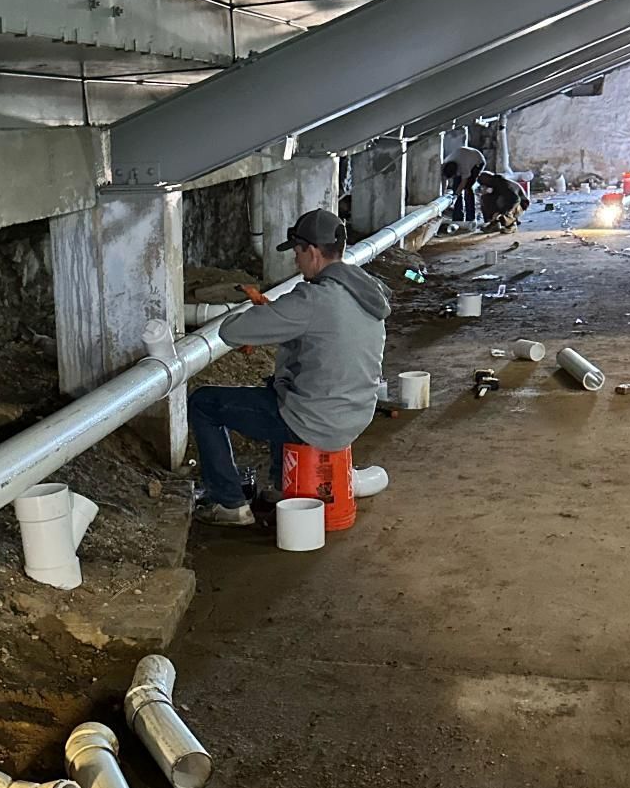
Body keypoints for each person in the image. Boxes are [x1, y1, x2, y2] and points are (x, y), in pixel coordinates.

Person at [186, 209, 391, 528]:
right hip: (356, 413)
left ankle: (228, 504)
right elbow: (327, 338)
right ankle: (284, 485)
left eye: (297, 253)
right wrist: (278, 318)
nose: (296, 262)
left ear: (311, 251)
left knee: (203, 403)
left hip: (317, 421)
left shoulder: (313, 298)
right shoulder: (366, 291)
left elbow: (231, 331)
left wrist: (263, 317)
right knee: (279, 386)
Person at [441, 142, 486, 226]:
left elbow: (464, 182)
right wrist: (443, 194)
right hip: (463, 156)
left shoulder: (464, 167)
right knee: (455, 188)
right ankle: (458, 218)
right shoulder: (445, 164)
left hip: (477, 162)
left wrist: (456, 195)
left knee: (468, 188)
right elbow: (444, 179)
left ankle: (470, 218)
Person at [477, 168, 530, 232]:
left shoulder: (504, 184)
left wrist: (500, 212)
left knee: (501, 201)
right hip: (512, 203)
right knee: (485, 198)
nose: (483, 187)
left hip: (521, 204)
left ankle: (511, 225)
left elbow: (515, 200)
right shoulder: (494, 186)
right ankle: (495, 224)